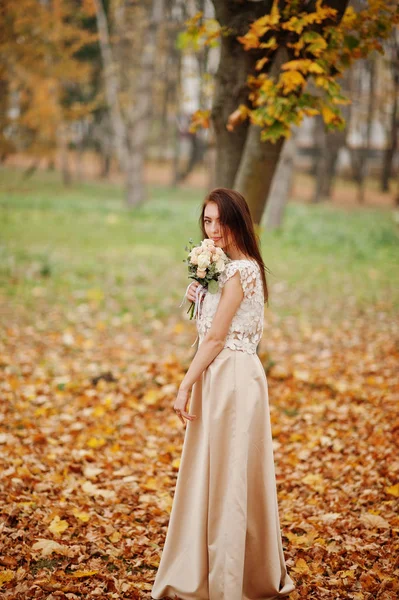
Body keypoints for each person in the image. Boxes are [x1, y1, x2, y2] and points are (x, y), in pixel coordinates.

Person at [151, 188, 295, 600]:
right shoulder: (221, 267)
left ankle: (233, 579)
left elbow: (216, 338)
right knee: (211, 472)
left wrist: (184, 385)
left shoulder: (244, 270)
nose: (213, 230)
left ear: (238, 222)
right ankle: (202, 566)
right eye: (207, 221)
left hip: (233, 378)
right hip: (217, 378)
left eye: (221, 221)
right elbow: (207, 329)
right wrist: (198, 290)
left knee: (232, 477)